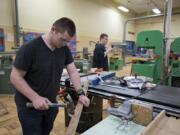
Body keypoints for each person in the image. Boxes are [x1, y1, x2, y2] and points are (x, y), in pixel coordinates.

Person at [10, 17, 90, 135]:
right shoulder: (30, 48)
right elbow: (15, 77)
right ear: (53, 30)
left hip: (51, 104)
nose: (64, 44)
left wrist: (80, 93)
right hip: (30, 106)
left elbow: (73, 71)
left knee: (46, 131)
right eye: (63, 39)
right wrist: (35, 98)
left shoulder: (63, 49)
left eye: (67, 41)